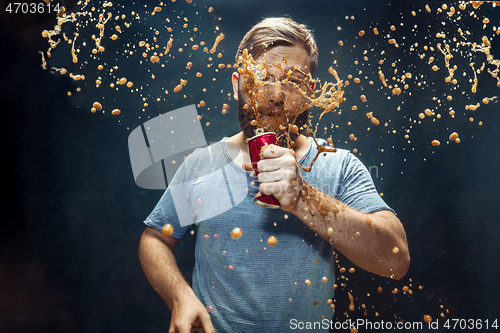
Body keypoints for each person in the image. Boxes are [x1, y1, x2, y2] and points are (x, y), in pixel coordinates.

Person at [138, 17, 410, 333]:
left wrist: (303, 197)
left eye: (293, 81)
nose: (276, 94)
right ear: (237, 84)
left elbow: (396, 260)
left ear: (310, 91)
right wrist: (180, 297)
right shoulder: (203, 164)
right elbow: (155, 239)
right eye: (261, 77)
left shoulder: (338, 165)